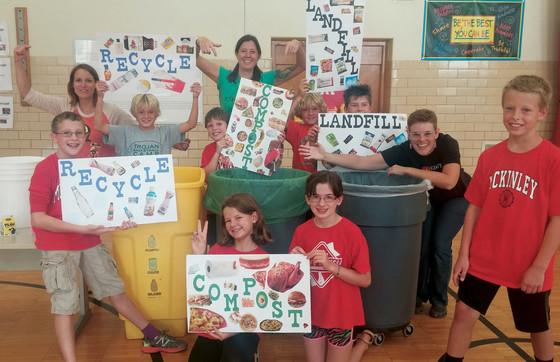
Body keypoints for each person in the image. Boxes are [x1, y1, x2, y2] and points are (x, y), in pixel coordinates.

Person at [30, 111, 187, 361]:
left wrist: (118, 220)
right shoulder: (45, 168)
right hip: (58, 246)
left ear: (86, 136)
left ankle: (151, 335)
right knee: (65, 305)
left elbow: (109, 201)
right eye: (67, 133)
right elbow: (38, 218)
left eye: (79, 133)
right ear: (54, 137)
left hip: (90, 241)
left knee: (115, 288)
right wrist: (81, 229)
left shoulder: (90, 164)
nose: (73, 137)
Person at [301, 108, 470, 320]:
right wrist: (325, 155)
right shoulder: (403, 150)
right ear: (408, 132)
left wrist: (407, 170)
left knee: (439, 243)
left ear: (437, 132)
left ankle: (439, 300)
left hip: (456, 197)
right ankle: (417, 296)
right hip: (429, 199)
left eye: (427, 134)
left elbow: (449, 181)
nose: (422, 140)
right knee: (421, 246)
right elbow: (365, 162)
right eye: (416, 134)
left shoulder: (447, 144)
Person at [439, 75, 560, 362]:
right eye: (510, 108)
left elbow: (557, 219)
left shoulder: (553, 159)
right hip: (485, 257)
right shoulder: (490, 157)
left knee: (536, 325)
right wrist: (463, 255)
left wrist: (539, 267)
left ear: (542, 112)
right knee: (464, 313)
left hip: (528, 263)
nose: (515, 116)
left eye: (526, 110)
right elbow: (474, 208)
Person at [13, 44, 190, 157]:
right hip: (75, 173)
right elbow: (28, 95)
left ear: (96, 84)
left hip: (108, 174)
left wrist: (174, 142)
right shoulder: (63, 108)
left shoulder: (112, 112)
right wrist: (19, 61)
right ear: (72, 84)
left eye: (88, 80)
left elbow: (142, 133)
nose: (83, 85)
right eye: (78, 80)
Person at [289, 171, 371, 362]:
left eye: (328, 197)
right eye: (316, 197)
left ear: (339, 200)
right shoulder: (301, 231)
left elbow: (365, 280)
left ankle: (362, 343)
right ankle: (363, 342)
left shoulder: (352, 233)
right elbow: (292, 280)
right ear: (307, 199)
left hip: (342, 315)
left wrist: (331, 266)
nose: (322, 204)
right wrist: (291, 263)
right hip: (311, 313)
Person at [189, 193, 272, 362]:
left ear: (254, 217)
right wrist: (198, 256)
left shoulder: (263, 259)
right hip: (215, 323)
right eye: (228, 220)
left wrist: (235, 328)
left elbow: (263, 306)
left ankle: (252, 355)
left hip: (246, 327)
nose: (233, 224)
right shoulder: (217, 250)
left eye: (238, 217)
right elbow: (201, 290)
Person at [196, 34, 305, 116]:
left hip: (257, 143)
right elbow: (193, 58)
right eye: (243, 51)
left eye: (252, 51)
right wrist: (199, 41)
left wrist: (298, 45)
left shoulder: (267, 79)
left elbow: (302, 66)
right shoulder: (224, 77)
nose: (248, 55)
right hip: (227, 144)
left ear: (258, 56)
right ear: (236, 54)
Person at [93, 82, 201, 156]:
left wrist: (195, 98)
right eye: (141, 112)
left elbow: (190, 124)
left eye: (150, 112)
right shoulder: (123, 133)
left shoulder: (166, 133)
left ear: (157, 113)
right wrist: (99, 97)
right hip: (132, 186)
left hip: (159, 185)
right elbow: (98, 126)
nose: (146, 116)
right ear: (134, 113)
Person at [284, 79, 327, 173]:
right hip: (300, 180)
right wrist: (299, 97)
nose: (310, 113)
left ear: (321, 110)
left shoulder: (328, 128)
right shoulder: (296, 129)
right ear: (300, 112)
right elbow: (281, 120)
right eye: (305, 109)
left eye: (315, 109)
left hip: (321, 179)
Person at [200, 107, 234, 182]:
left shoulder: (239, 145)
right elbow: (206, 178)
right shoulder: (208, 149)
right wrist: (217, 152)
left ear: (228, 125)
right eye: (210, 125)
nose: (214, 128)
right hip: (217, 191)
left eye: (219, 124)